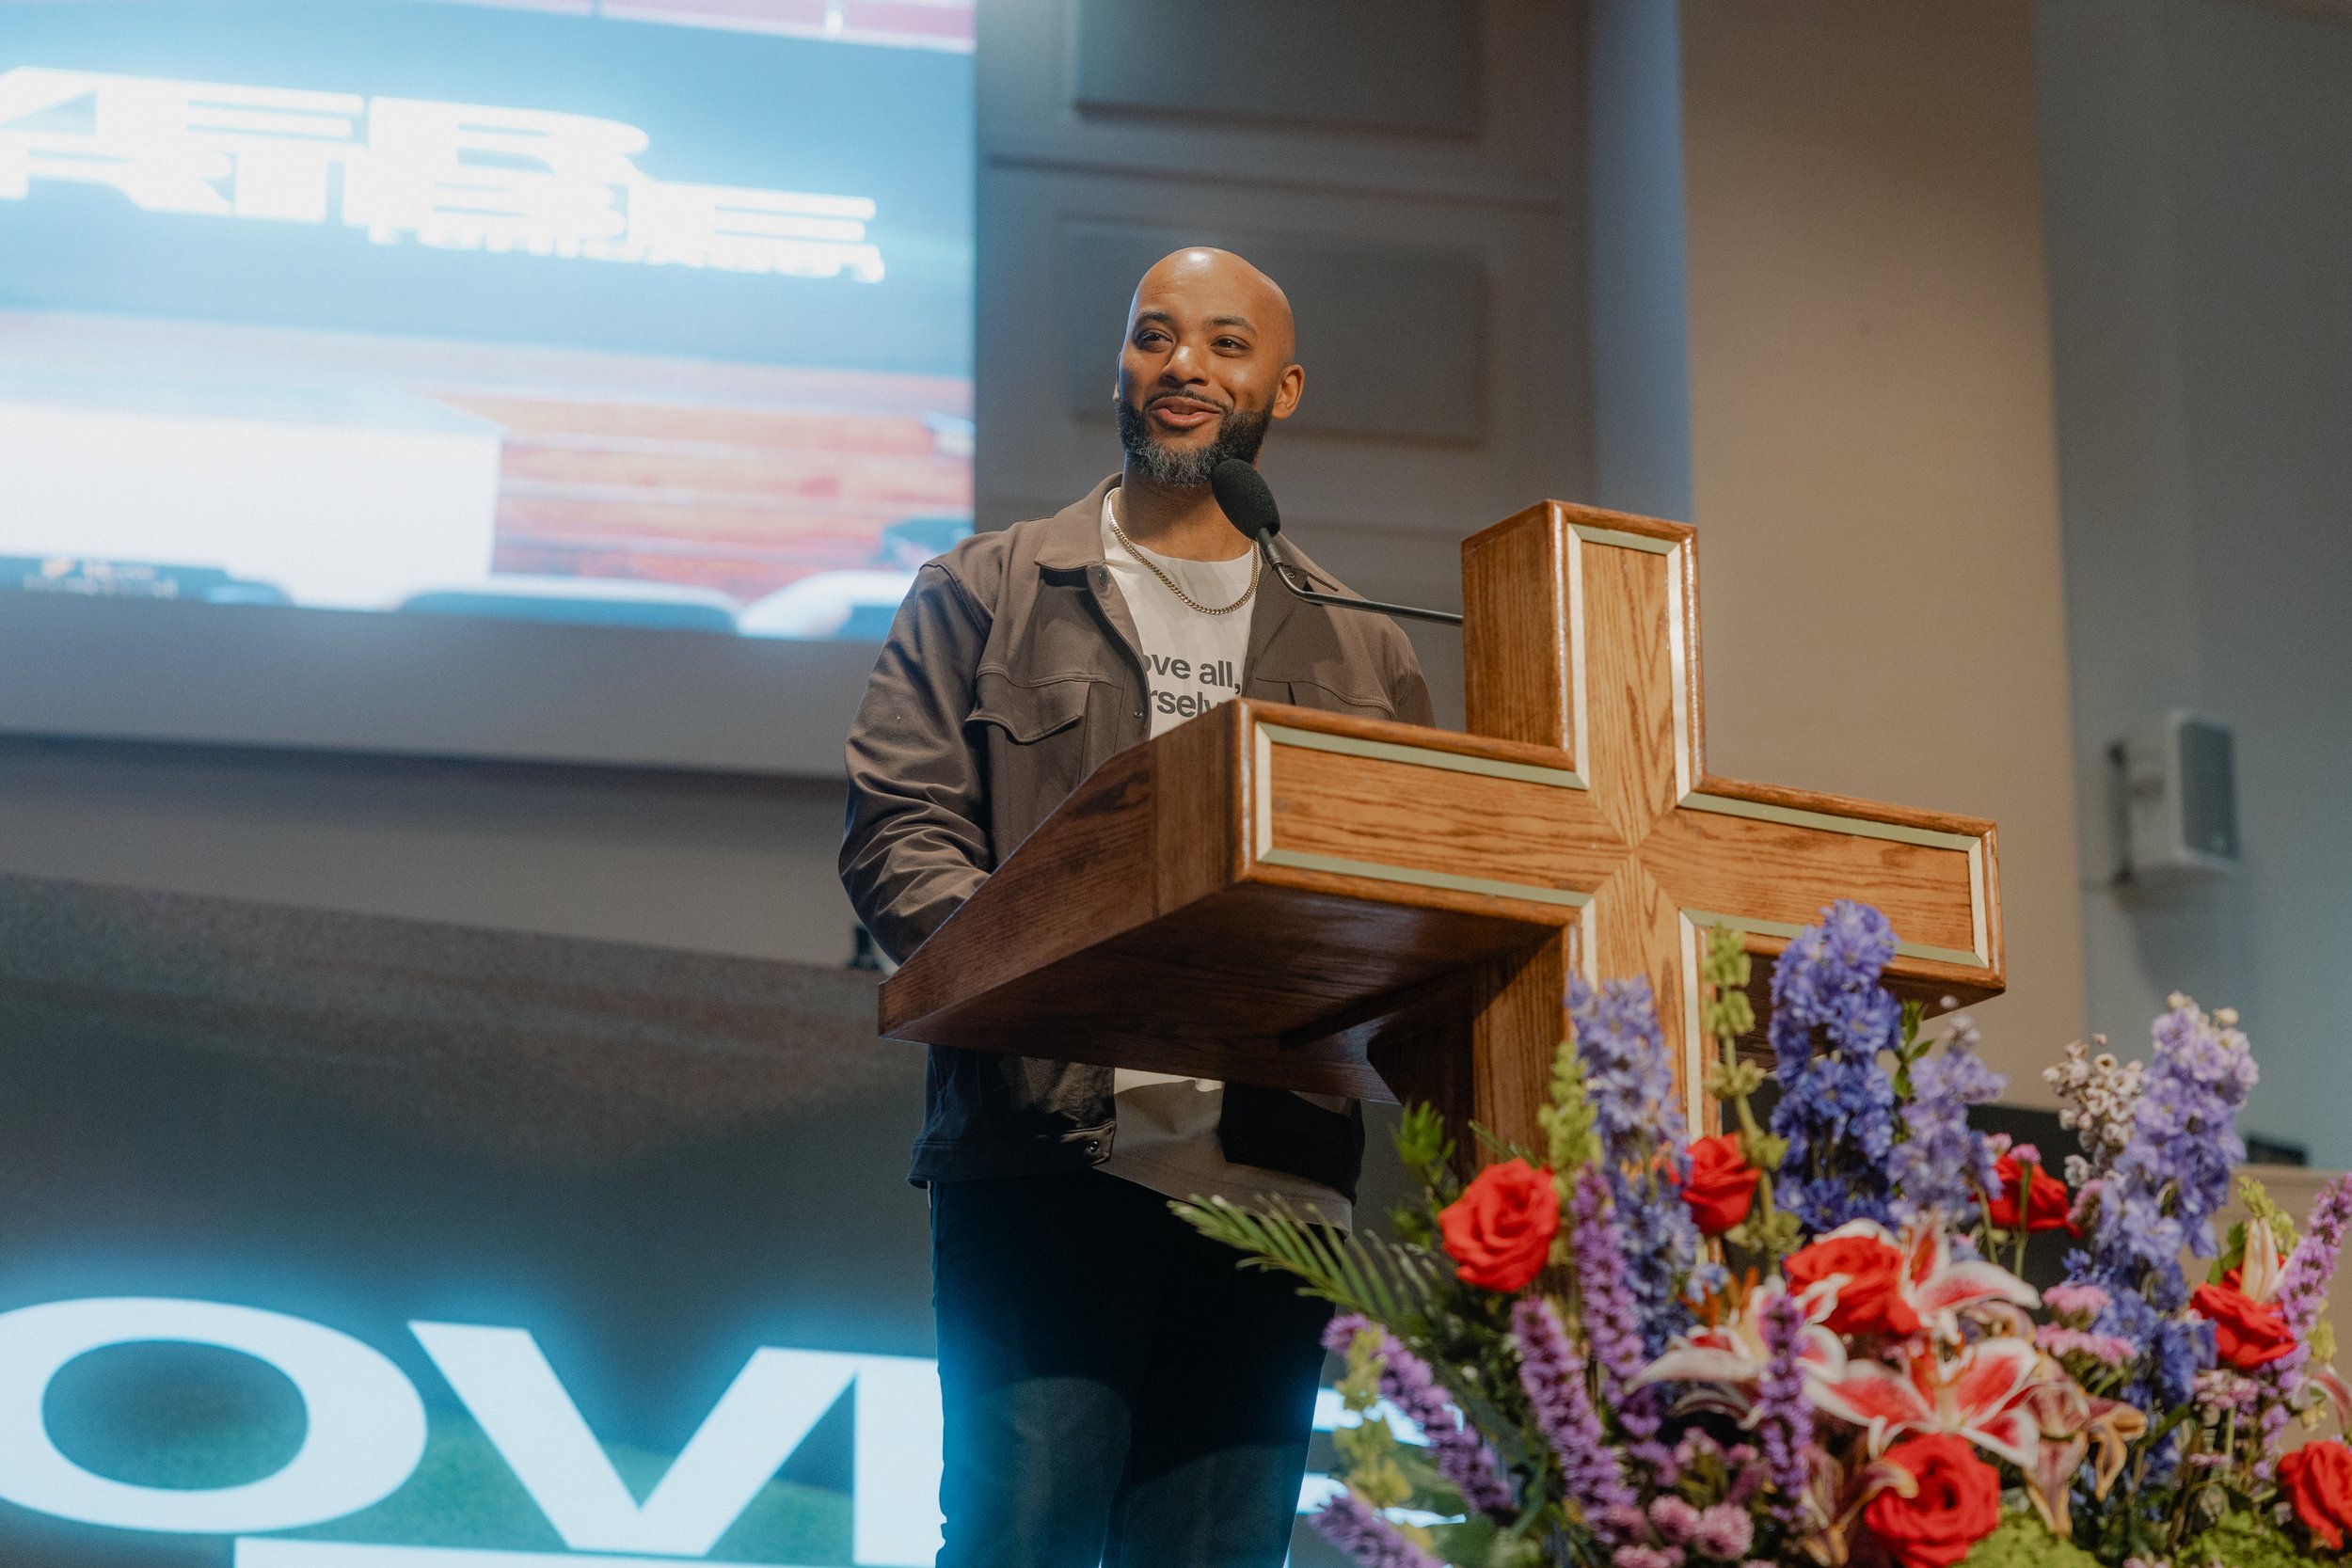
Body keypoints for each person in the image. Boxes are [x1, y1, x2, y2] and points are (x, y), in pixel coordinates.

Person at [839, 247, 1433, 1568]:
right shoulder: (982, 592)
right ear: (1122, 365)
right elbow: (902, 834)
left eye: (1225, 345)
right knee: (1019, 1545)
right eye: (1156, 336)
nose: (1184, 367)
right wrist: (1051, 984)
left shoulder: (1362, 647)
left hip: (1275, 1190)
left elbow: (1409, 903)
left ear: (1281, 386)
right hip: (1049, 1162)